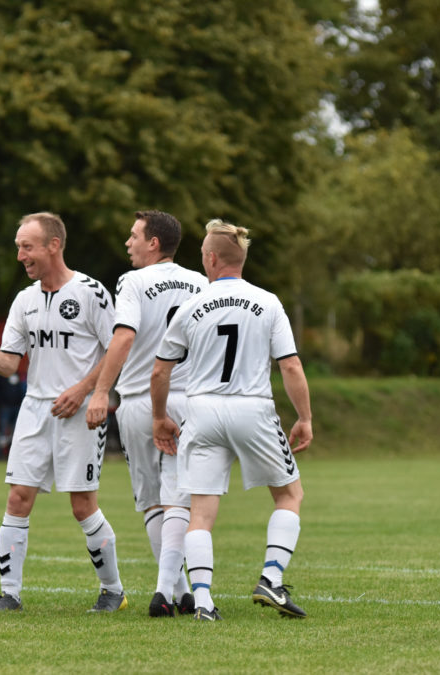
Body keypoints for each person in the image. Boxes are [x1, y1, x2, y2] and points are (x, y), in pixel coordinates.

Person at [152, 219, 314, 622]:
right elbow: (290, 366)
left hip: (202, 411)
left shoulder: (191, 305)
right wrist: (305, 417)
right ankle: (271, 578)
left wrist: (159, 417)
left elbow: (160, 371)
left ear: (211, 258)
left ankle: (203, 603)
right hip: (252, 408)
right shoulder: (268, 302)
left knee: (200, 514)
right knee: (289, 496)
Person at [0, 211, 126, 613]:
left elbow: (117, 350)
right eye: (18, 247)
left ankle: (113, 591)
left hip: (81, 412)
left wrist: (87, 391)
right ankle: (10, 594)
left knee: (82, 505)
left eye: (27, 246)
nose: (20, 255)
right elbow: (8, 363)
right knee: (18, 498)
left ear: (53, 245)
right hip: (35, 409)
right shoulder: (25, 300)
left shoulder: (91, 292)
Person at [85, 209, 207, 618]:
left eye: (134, 236)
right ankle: (181, 591)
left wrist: (101, 391)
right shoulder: (200, 282)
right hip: (192, 399)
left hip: (142, 399)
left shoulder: (132, 281)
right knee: (179, 500)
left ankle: (168, 591)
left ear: (153, 243)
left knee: (153, 502)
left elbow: (123, 337)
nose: (128, 243)